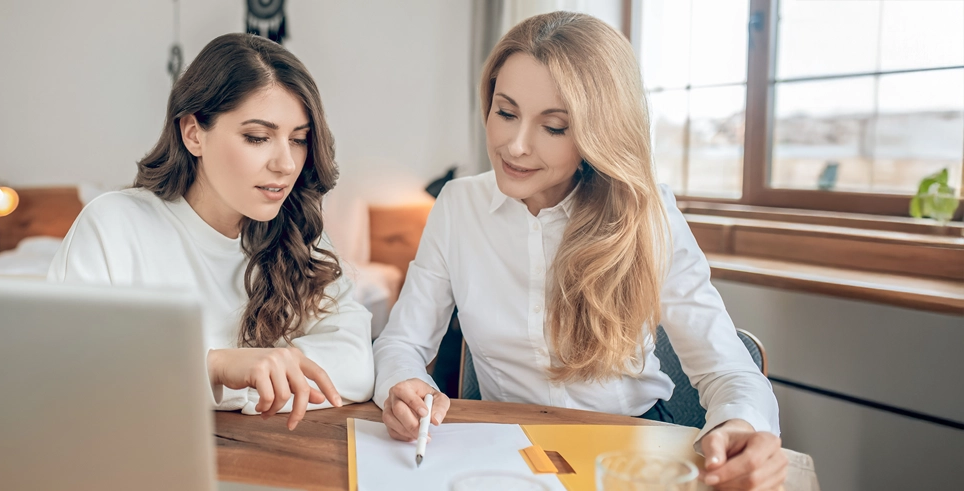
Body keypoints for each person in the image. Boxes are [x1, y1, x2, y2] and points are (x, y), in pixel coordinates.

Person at [373, 12, 785, 490]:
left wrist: (741, 427)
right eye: (506, 113)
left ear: (597, 134)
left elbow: (727, 369)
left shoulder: (645, 214)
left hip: (628, 450)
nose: (516, 146)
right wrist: (403, 386)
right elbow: (403, 343)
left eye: (553, 127)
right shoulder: (458, 206)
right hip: (504, 452)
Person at [49, 33, 374, 431]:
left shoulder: (300, 235)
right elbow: (69, 377)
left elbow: (355, 364)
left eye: (299, 140)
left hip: (265, 460)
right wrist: (215, 367)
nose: (287, 164)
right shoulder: (113, 225)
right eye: (257, 137)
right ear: (193, 133)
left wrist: (227, 383)